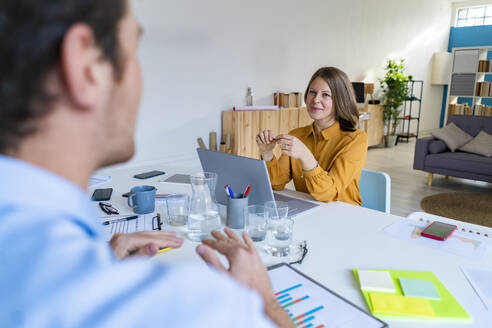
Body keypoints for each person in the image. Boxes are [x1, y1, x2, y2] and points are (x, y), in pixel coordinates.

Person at [0, 1, 294, 327]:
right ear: (85, 66)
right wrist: (265, 301)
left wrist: (101, 263)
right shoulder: (190, 308)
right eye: (134, 50)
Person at [256, 67, 368, 205]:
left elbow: (329, 194)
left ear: (340, 99)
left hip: (343, 215)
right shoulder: (297, 135)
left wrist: (305, 156)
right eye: (312, 92)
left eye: (326, 95)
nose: (316, 100)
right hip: (308, 210)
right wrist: (267, 153)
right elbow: (276, 184)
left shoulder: (356, 140)